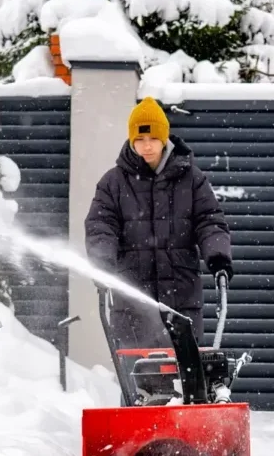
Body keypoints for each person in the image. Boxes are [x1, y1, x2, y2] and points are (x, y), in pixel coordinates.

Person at [85, 96, 233, 349]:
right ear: (131, 140)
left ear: (164, 139)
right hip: (133, 301)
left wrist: (218, 257)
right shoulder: (113, 183)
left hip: (181, 298)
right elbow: (101, 226)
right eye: (139, 139)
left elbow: (209, 222)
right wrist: (102, 262)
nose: (147, 146)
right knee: (139, 380)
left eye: (153, 138)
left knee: (187, 380)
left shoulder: (191, 179)